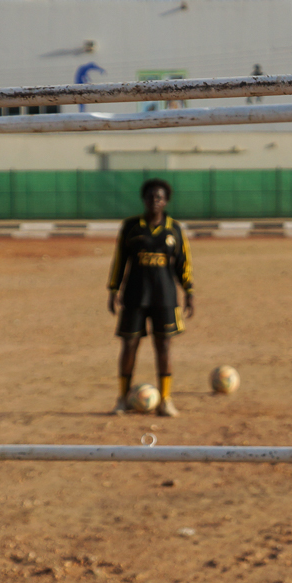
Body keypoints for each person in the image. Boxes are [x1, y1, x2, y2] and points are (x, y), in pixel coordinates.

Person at [107, 178, 194, 417]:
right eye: (151, 196)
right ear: (143, 199)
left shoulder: (174, 229)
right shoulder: (131, 227)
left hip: (165, 297)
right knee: (129, 345)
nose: (155, 201)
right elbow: (120, 260)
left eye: (160, 197)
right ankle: (122, 399)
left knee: (164, 346)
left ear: (166, 201)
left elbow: (183, 263)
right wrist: (113, 289)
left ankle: (165, 400)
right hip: (135, 295)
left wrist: (189, 291)